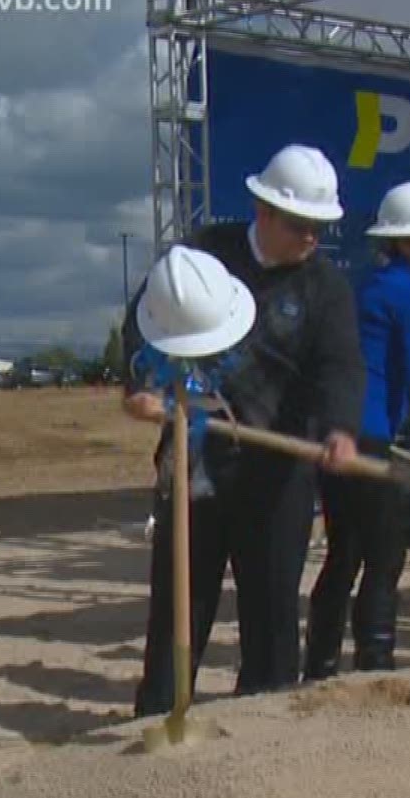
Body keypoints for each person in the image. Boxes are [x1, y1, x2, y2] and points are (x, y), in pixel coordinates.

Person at [120, 144, 365, 718]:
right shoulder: (203, 255)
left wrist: (341, 429)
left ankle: (264, 724)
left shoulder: (324, 287)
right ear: (264, 211)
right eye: (301, 224)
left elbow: (341, 366)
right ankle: (161, 713)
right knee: (182, 599)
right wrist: (141, 388)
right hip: (195, 455)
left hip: (278, 468)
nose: (312, 237)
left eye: (321, 226)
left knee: (273, 608)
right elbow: (143, 325)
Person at [304, 181, 410, 680]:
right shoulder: (409, 295)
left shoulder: (367, 285)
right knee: (385, 552)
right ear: (403, 241)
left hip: (336, 432)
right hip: (368, 438)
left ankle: (321, 664)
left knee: (344, 552)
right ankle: (376, 662)